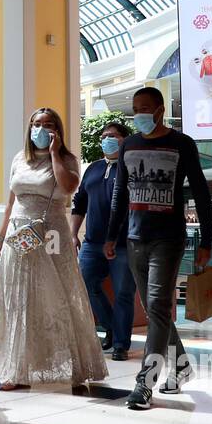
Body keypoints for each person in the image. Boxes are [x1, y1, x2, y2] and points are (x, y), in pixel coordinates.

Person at [105, 87, 212, 411]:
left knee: (156, 303)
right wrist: (112, 236)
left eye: (146, 108)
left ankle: (145, 383)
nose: (139, 114)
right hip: (135, 239)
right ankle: (180, 366)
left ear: (160, 110)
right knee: (156, 309)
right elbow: (119, 196)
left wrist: (206, 241)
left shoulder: (182, 144)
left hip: (169, 239)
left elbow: (201, 192)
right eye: (135, 108)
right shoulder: (129, 144)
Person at [0, 107, 107, 392]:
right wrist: (1, 238)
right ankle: (15, 368)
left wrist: (54, 154)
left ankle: (73, 364)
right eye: (36, 124)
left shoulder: (67, 159)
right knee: (18, 299)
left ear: (57, 130)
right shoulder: (19, 158)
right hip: (19, 233)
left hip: (50, 232)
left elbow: (68, 187)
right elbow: (10, 202)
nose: (41, 129)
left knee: (57, 296)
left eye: (48, 124)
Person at [71, 120, 136, 360]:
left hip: (124, 244)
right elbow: (80, 202)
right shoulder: (93, 169)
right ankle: (109, 325)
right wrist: (72, 234)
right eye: (103, 136)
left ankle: (120, 344)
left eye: (112, 135)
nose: (106, 139)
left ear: (124, 140)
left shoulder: (131, 167)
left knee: (123, 294)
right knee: (86, 285)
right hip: (91, 243)